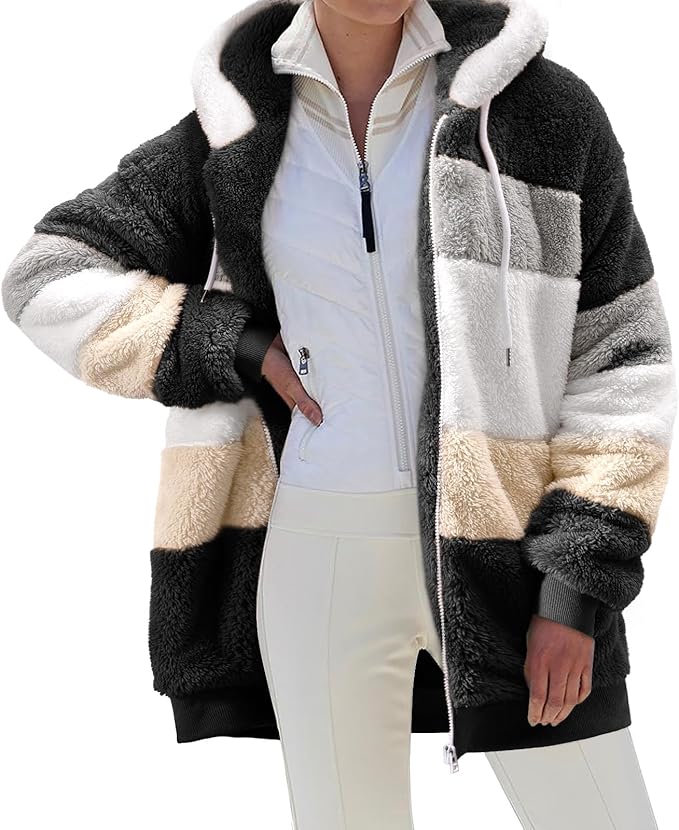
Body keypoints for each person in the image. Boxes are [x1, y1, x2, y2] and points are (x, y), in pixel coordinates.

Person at [3, 1, 675, 828]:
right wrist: (227, 341)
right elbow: (44, 277)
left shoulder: (540, 114)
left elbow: (622, 359)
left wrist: (576, 581)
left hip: (507, 553)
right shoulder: (231, 134)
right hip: (316, 557)